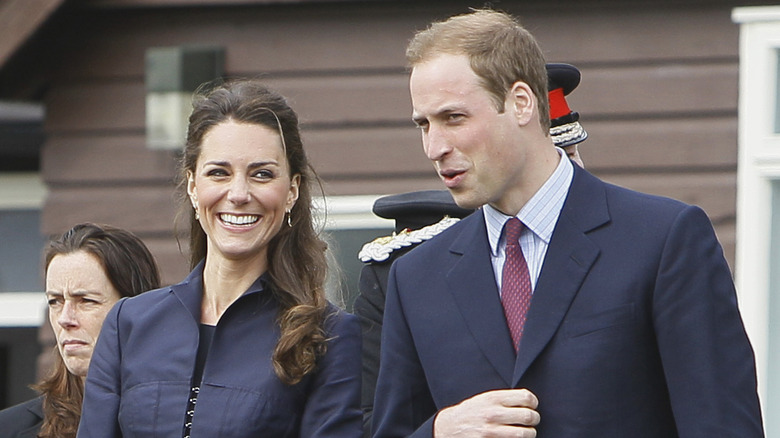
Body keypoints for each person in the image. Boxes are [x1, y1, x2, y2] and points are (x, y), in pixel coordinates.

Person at [371, 8, 763, 438]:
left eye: (453, 118)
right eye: (423, 124)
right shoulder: (416, 277)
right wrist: (438, 431)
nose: (434, 146)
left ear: (521, 103)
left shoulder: (663, 238)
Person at [77, 79, 362, 437]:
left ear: (292, 191)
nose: (239, 194)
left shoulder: (328, 337)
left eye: (262, 174)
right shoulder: (128, 325)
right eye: (218, 173)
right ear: (194, 187)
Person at [354, 62, 588, 437]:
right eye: (426, 125)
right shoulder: (414, 273)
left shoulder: (645, 245)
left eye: (568, 156)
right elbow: (375, 420)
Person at [0, 223, 161, 438]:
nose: (65, 319)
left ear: (136, 308)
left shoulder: (183, 417)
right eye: (55, 301)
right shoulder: (10, 428)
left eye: (86, 300)